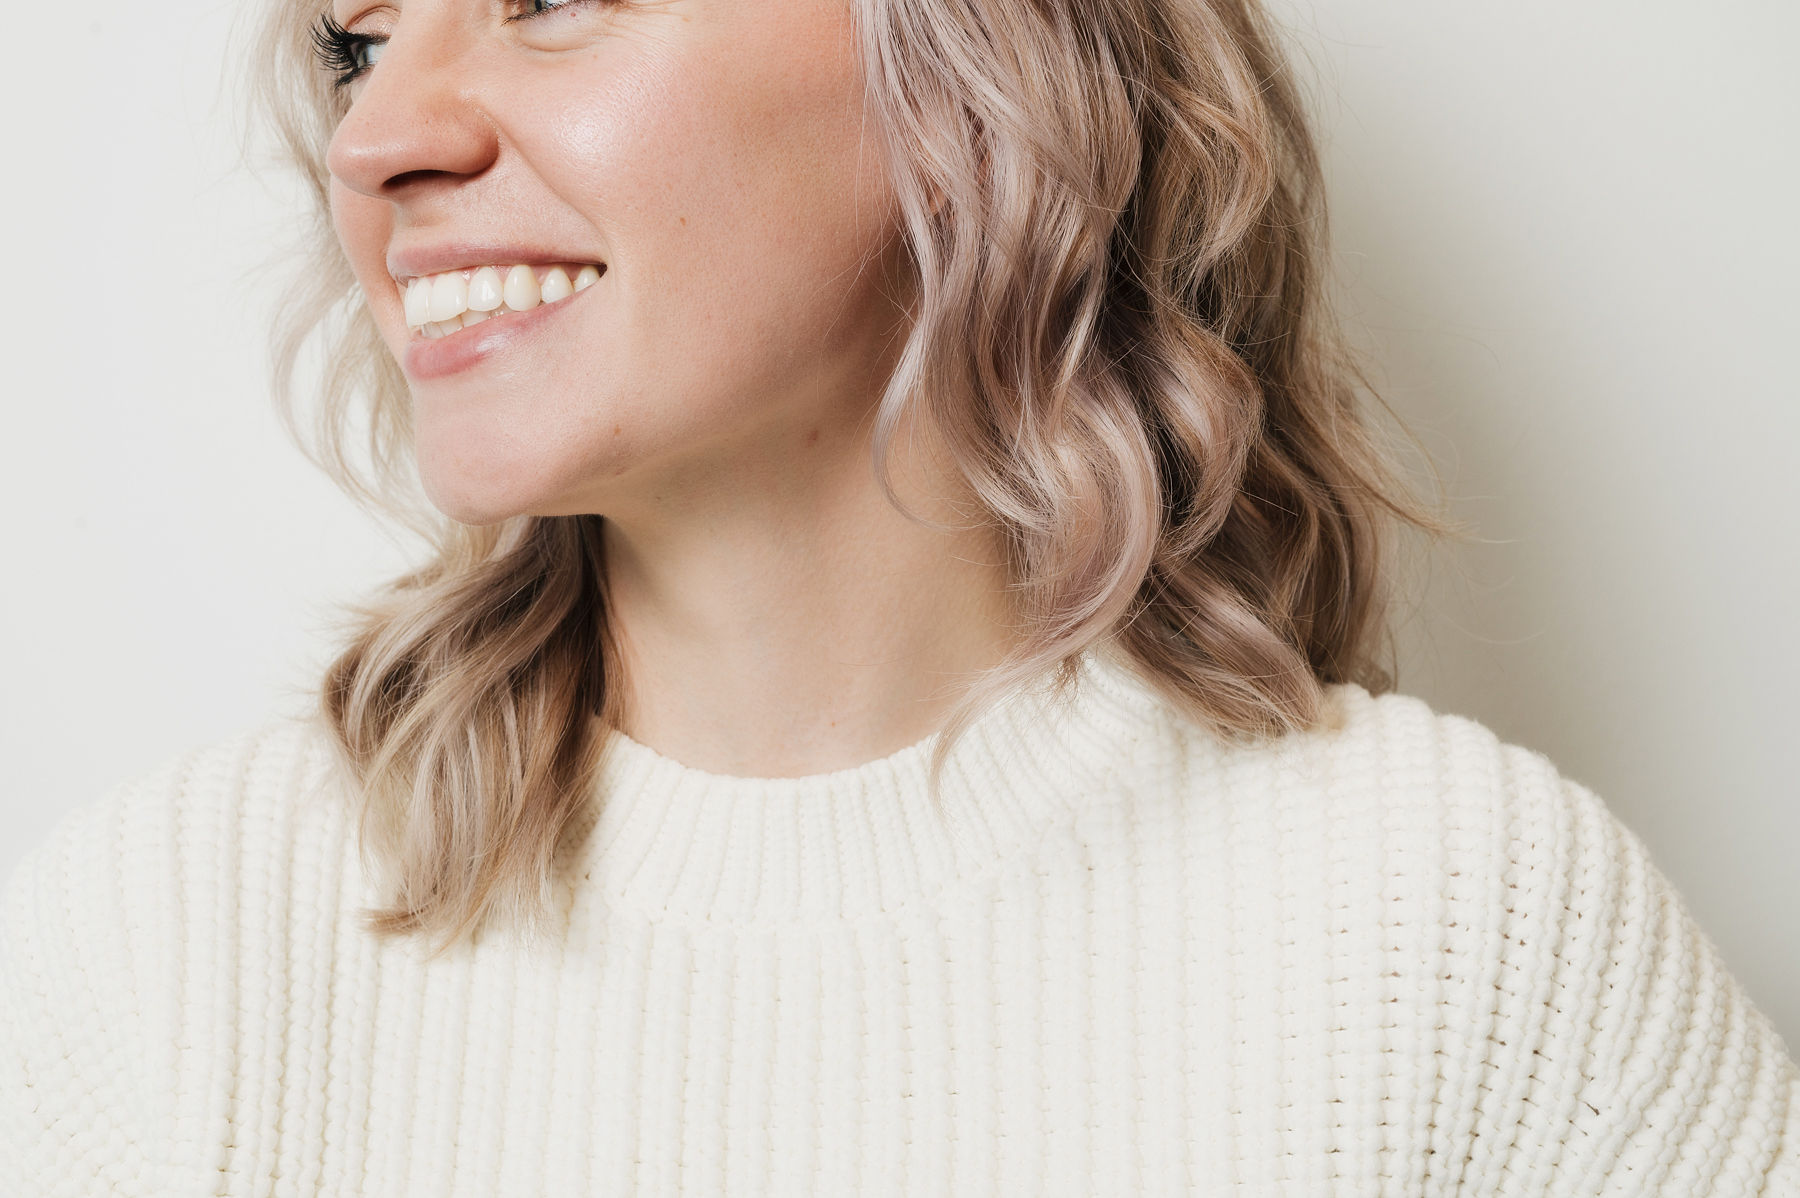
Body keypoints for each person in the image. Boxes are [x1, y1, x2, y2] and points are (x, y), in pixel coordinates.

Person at [4, 0, 1795, 1190]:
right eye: (354, 43)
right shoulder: (171, 961)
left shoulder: (1465, 941)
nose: (378, 138)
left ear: (969, 53)